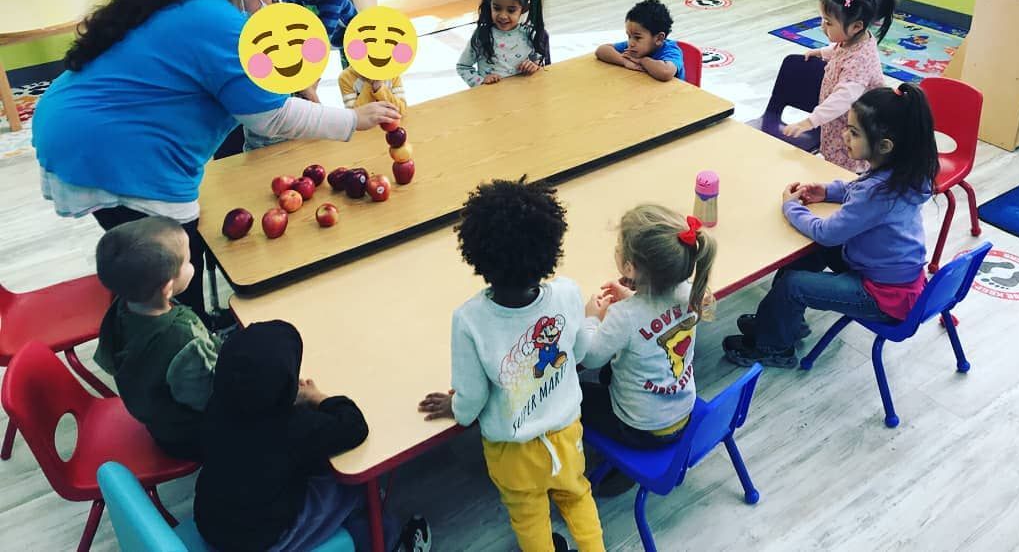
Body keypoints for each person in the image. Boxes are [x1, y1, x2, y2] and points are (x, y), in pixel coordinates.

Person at [31, 0, 399, 321]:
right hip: (104, 147)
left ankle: (175, 323)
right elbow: (268, 116)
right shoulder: (223, 25)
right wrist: (354, 120)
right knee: (170, 261)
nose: (276, 6)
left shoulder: (196, 1)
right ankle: (181, 336)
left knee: (159, 258)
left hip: (78, 125)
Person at [418, 178, 605, 552]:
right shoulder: (568, 292)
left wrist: (453, 407)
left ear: (474, 254)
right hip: (567, 434)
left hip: (511, 452)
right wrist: (590, 318)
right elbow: (581, 353)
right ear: (551, 248)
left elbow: (470, 401)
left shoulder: (469, 320)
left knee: (529, 517)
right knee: (577, 496)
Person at [724, 83, 938, 369]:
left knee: (793, 284)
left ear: (885, 145)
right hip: (891, 276)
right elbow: (857, 189)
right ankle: (782, 321)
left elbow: (827, 232)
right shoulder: (903, 175)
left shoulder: (878, 192)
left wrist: (792, 207)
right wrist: (827, 191)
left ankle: (774, 347)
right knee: (807, 253)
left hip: (882, 295)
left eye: (854, 132)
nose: (844, 135)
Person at [195, 320, 431, 552]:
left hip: (212, 522)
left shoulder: (218, 404)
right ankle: (392, 542)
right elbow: (355, 427)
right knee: (353, 483)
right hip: (264, 539)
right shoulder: (292, 426)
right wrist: (316, 397)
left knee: (312, 467)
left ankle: (359, 530)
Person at [579, 205, 716, 450]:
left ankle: (622, 466)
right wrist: (634, 296)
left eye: (618, 247)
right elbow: (655, 311)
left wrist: (592, 319)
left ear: (629, 268)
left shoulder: (625, 316)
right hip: (684, 410)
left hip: (641, 429)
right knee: (611, 371)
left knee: (575, 394)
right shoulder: (690, 292)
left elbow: (589, 358)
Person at [94, 217, 219, 460]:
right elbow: (210, 398)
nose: (192, 264)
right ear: (167, 288)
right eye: (187, 261)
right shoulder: (182, 338)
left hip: (159, 418)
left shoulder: (121, 308)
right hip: (190, 437)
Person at [781, 0, 895, 172]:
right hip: (839, 124)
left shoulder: (860, 60)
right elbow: (840, 49)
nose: (822, 26)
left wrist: (810, 121)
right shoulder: (855, 39)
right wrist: (822, 53)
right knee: (832, 161)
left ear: (857, 26)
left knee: (844, 171)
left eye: (828, 22)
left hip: (856, 130)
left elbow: (843, 98)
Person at [457, 0, 550, 87]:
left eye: (511, 10)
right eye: (497, 8)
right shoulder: (482, 35)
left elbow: (539, 63)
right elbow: (463, 67)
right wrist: (481, 81)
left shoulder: (529, 33)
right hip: (491, 98)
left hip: (523, 96)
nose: (503, 16)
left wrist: (534, 66)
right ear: (489, 4)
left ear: (524, 9)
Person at [595, 0, 684, 81]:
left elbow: (666, 72)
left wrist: (642, 60)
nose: (631, 43)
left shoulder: (671, 51)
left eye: (637, 38)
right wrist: (624, 61)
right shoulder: (634, 47)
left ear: (659, 38)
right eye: (629, 36)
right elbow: (601, 50)